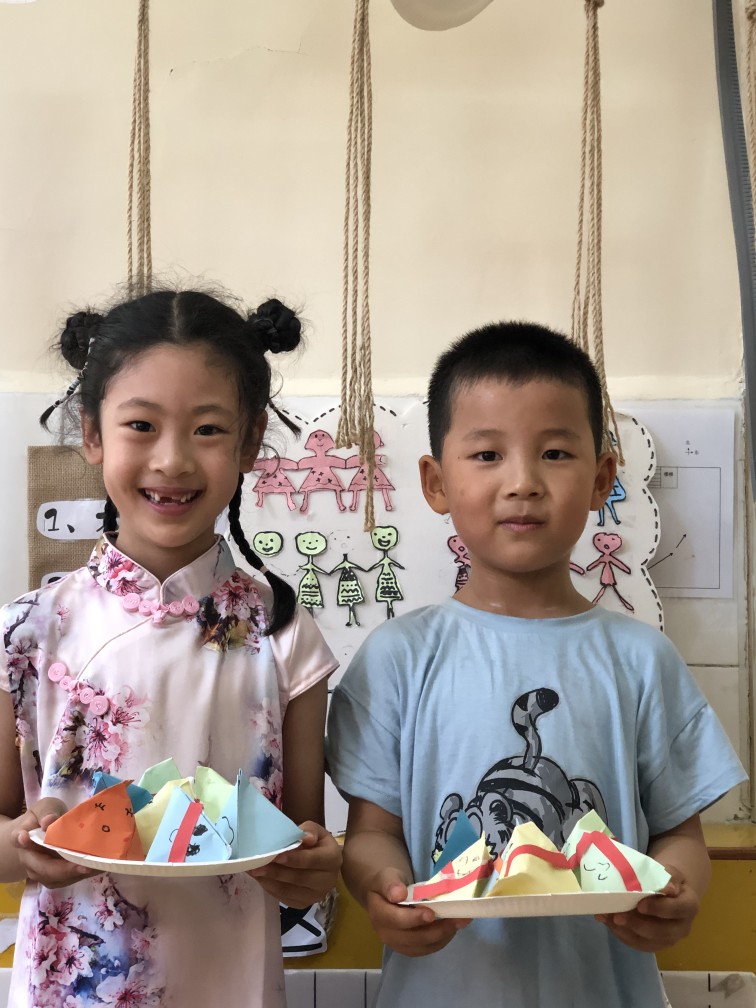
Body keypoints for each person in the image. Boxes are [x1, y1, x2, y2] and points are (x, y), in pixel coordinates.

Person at [326, 321, 747, 1008]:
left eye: (554, 453)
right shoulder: (398, 658)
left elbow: (680, 836)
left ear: (601, 479)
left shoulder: (641, 658)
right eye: (487, 454)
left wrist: (678, 892)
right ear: (436, 482)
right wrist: (385, 891)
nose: (522, 483)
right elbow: (373, 835)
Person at [0, 288, 342, 1008]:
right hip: (75, 988)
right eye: (141, 425)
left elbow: (305, 845)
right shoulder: (27, 630)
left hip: (230, 983)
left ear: (250, 442)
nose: (173, 459)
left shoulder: (284, 632)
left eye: (208, 429)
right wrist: (24, 846)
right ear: (92, 435)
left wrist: (313, 866)